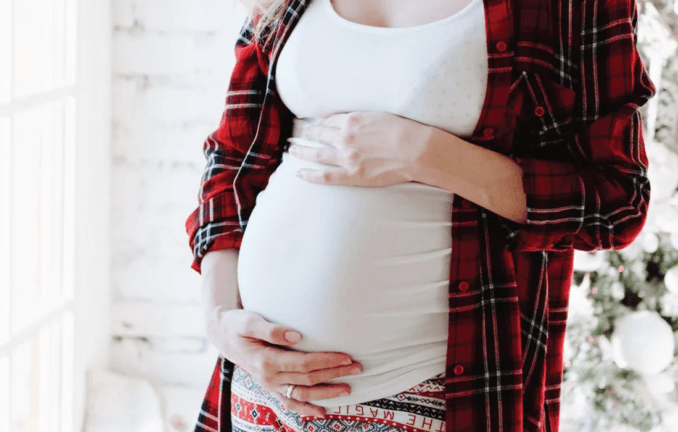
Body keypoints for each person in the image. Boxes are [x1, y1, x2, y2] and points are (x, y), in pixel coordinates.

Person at [185, 0, 657, 431]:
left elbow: (617, 201)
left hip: (427, 390)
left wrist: (425, 154)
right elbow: (232, 159)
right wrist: (220, 319)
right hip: (261, 385)